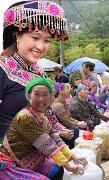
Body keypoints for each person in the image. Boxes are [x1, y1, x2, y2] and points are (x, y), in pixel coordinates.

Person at [0, 1, 69, 179]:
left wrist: (61, 136)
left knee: (58, 170)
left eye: (47, 40)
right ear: (17, 36)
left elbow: (47, 116)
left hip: (32, 149)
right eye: (35, 37)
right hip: (4, 155)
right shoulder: (2, 68)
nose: (41, 47)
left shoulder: (39, 72)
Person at [7, 78, 88, 179]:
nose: (41, 99)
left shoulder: (42, 115)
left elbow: (54, 137)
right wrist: (67, 164)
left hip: (34, 156)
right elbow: (47, 145)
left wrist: (72, 156)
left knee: (57, 170)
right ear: (28, 96)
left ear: (50, 97)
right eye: (36, 94)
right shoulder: (26, 117)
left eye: (45, 95)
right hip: (14, 161)